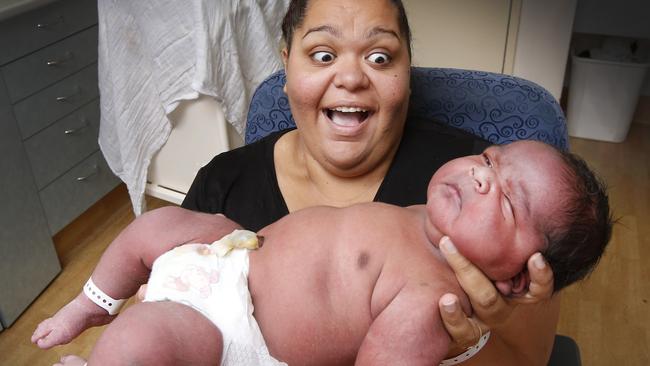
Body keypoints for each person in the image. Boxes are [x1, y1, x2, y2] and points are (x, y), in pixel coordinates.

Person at [180, 0, 561, 364]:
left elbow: (529, 360)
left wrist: (465, 346)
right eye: (323, 55)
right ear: (287, 69)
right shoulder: (221, 184)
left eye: (379, 57)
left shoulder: (484, 190)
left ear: (407, 73)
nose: (350, 78)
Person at [32, 140, 612, 366]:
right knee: (152, 227)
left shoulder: (435, 301)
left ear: (518, 278)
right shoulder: (423, 216)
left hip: (236, 328)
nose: (482, 177)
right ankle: (89, 303)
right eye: (490, 160)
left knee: (143, 340)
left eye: (508, 202)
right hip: (233, 252)